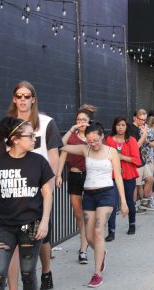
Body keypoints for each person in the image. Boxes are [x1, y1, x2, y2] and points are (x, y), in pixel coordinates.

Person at [4, 81, 62, 290]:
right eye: (19, 95)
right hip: (12, 189)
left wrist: (48, 184)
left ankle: (46, 271)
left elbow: (54, 155)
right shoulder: (6, 125)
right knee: (11, 244)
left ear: (33, 99)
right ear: (14, 98)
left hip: (37, 189)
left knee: (41, 237)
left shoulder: (46, 123)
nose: (22, 99)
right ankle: (13, 287)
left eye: (27, 96)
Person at [60, 122, 129, 287]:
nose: (93, 143)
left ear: (102, 136)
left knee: (98, 231)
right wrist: (73, 128)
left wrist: (124, 202)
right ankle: (101, 251)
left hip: (106, 193)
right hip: (89, 195)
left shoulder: (111, 152)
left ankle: (97, 273)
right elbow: (60, 145)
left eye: (96, 140)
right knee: (89, 236)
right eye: (90, 141)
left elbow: (118, 177)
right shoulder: (85, 149)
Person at [0, 117, 54, 290]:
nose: (34, 139)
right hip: (3, 226)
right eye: (30, 136)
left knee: (28, 274)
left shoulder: (39, 161)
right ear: (15, 139)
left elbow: (47, 193)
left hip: (31, 226)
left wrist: (44, 222)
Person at [56, 105, 97, 264]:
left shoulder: (93, 136)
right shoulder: (72, 136)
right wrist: (59, 174)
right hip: (74, 175)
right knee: (78, 214)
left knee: (88, 214)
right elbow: (61, 147)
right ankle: (85, 236)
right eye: (78, 120)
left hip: (90, 176)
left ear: (89, 121)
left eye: (84, 120)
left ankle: (83, 249)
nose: (81, 122)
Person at [105, 117, 141, 242]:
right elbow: (105, 156)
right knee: (112, 203)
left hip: (128, 174)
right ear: (114, 126)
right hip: (112, 175)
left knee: (129, 200)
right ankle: (111, 230)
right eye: (118, 125)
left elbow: (137, 160)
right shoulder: (109, 140)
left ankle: (132, 224)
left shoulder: (131, 140)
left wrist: (121, 157)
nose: (120, 127)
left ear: (126, 127)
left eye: (123, 125)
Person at [129, 109, 154, 211]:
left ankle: (144, 201)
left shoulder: (140, 128)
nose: (143, 122)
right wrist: (144, 134)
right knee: (136, 185)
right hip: (135, 161)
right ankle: (134, 207)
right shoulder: (131, 128)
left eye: (144, 120)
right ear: (135, 118)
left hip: (141, 159)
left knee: (150, 179)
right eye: (141, 119)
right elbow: (136, 146)